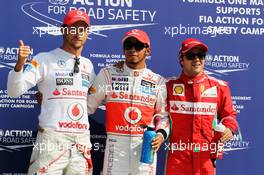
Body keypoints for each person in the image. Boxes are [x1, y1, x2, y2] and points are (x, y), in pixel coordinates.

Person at [7, 10, 95, 175]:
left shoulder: (88, 65)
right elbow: (13, 92)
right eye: (73, 28)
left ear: (87, 33)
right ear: (63, 30)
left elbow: (93, 99)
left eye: (82, 29)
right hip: (51, 141)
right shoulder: (44, 59)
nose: (78, 33)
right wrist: (19, 65)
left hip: (81, 142)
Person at [86, 29, 170, 175]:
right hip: (115, 147)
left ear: (148, 50)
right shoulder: (108, 74)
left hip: (145, 146)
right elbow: (87, 106)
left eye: (138, 46)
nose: (132, 49)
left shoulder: (158, 81)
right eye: (128, 45)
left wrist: (161, 134)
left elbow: (163, 115)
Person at [165, 38, 238, 175]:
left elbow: (229, 115)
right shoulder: (168, 86)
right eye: (191, 55)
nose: (197, 59)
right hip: (178, 159)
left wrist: (229, 128)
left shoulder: (219, 87)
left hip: (206, 159)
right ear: (181, 59)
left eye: (201, 56)